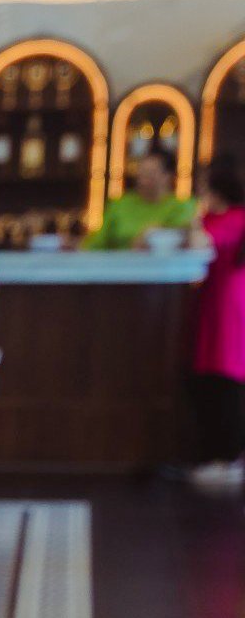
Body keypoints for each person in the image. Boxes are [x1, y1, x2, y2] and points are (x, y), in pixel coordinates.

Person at [190, 160, 245, 487]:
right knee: (210, 377)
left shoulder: (235, 219)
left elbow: (203, 244)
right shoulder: (213, 217)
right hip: (213, 302)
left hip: (231, 304)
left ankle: (230, 458)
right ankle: (216, 455)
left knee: (227, 378)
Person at [85, 146, 197, 250]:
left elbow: (185, 238)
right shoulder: (119, 205)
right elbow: (96, 244)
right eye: (141, 173)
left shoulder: (183, 206)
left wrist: (152, 236)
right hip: (118, 268)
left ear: (167, 176)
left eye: (150, 174)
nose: (143, 180)